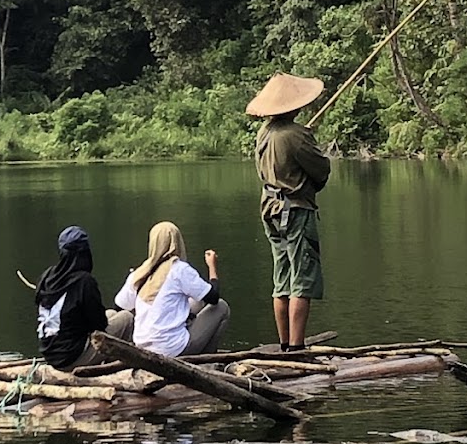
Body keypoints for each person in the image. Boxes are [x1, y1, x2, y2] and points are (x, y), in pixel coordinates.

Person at [246, 72, 331, 354]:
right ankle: (296, 347)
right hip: (295, 210)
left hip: (270, 209)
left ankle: (285, 344)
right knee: (301, 277)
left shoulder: (264, 133)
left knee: (281, 275)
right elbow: (320, 170)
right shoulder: (296, 135)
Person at [114, 221, 230, 357]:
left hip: (142, 348)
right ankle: (206, 358)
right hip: (171, 350)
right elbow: (214, 297)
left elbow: (119, 306)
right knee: (222, 307)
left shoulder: (140, 272)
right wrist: (212, 267)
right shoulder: (179, 269)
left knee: (197, 301)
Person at [34, 225, 134, 370]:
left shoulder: (47, 277)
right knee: (126, 318)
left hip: (50, 354)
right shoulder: (84, 281)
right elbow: (99, 324)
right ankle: (116, 368)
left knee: (111, 313)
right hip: (71, 357)